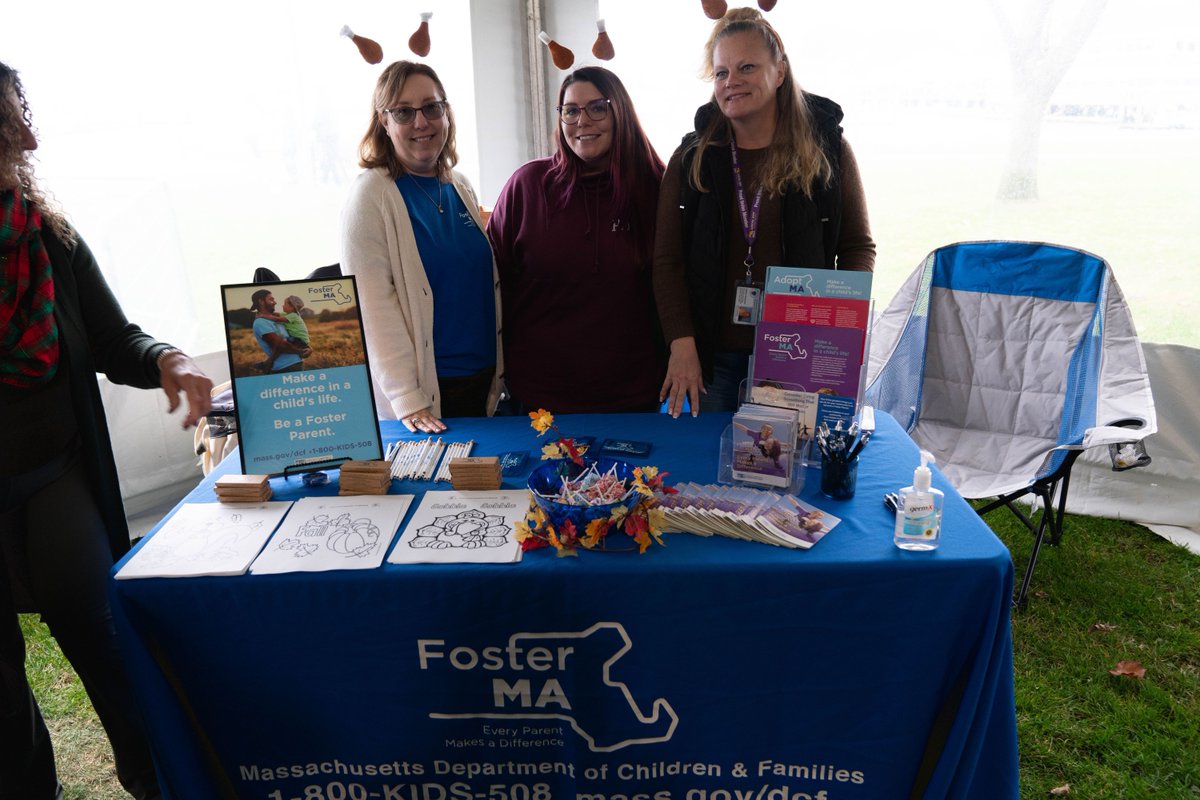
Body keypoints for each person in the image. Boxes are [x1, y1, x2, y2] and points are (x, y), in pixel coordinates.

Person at [1, 61, 212, 799]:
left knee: (105, 640)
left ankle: (158, 782)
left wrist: (169, 359)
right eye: (6, 122)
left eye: (22, 116)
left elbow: (115, 339)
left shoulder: (47, 236)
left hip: (54, 474)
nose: (28, 137)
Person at [653, 8, 876, 417]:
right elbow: (667, 262)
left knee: (788, 475)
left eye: (747, 67)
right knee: (707, 473)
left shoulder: (828, 150)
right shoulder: (691, 158)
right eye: (721, 73)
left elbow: (858, 247)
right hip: (710, 363)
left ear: (780, 72)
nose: (731, 81)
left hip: (799, 359)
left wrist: (838, 328)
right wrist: (680, 342)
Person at [487, 66, 665, 413]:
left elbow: (677, 286)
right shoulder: (527, 186)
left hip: (632, 399)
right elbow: (491, 282)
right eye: (570, 110)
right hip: (538, 400)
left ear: (621, 114)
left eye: (597, 108)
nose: (582, 121)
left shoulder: (655, 188)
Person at [341, 61, 502, 434]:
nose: (421, 122)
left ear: (446, 112)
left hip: (482, 384)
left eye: (432, 107)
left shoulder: (459, 185)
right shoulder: (370, 196)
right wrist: (406, 397)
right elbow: (372, 306)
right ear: (384, 121)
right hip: (427, 399)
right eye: (404, 112)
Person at [251, 291, 311, 372]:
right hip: (285, 367)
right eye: (271, 299)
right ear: (261, 302)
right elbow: (280, 345)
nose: (275, 302)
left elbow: (291, 337)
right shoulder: (261, 322)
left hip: (295, 363)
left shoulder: (280, 319)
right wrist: (300, 351)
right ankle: (267, 363)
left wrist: (308, 349)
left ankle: (266, 363)